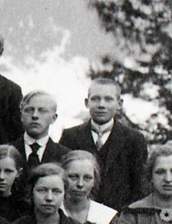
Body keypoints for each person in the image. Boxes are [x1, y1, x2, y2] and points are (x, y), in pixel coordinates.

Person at [59, 79, 148, 210]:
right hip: (77, 215)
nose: (101, 105)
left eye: (108, 99)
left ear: (119, 103)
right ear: (86, 102)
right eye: (95, 99)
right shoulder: (70, 136)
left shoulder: (134, 139)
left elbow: (139, 186)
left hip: (119, 216)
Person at [12, 91, 70, 171]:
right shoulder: (9, 152)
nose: (35, 115)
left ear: (53, 118)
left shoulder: (65, 156)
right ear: (21, 116)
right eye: (29, 110)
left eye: (42, 111)